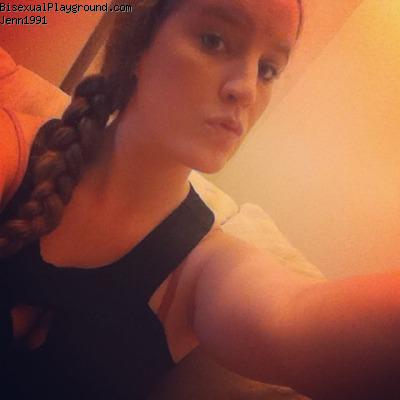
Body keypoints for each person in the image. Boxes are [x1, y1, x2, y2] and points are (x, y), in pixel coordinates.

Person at [0, 0, 399, 399]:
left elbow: (294, 319)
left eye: (268, 70)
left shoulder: (205, 269)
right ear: (140, 44)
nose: (246, 90)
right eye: (214, 40)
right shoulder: (13, 152)